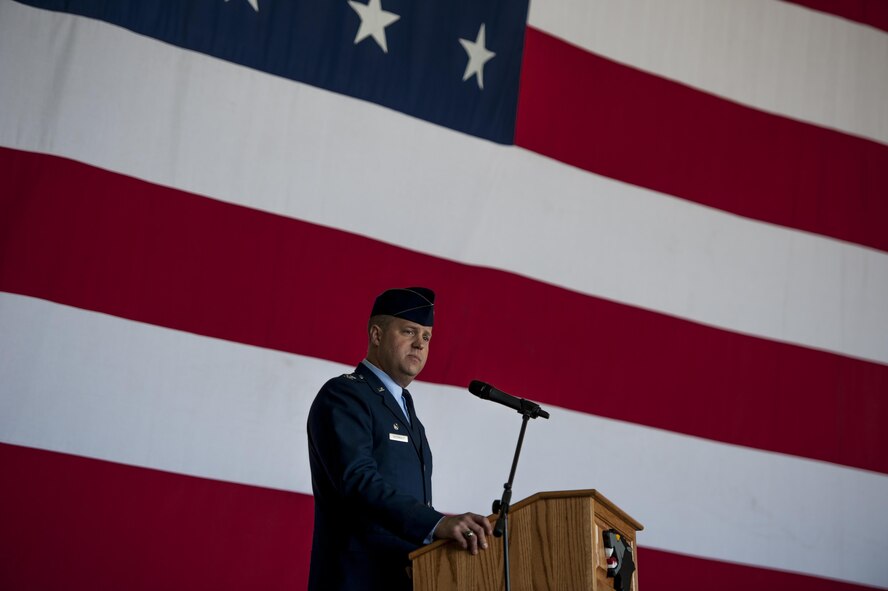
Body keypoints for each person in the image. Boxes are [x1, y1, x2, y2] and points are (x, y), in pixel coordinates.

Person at [306, 287, 492, 590]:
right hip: (355, 580)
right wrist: (436, 523)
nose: (420, 344)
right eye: (409, 331)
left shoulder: (405, 411)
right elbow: (357, 480)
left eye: (427, 337)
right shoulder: (345, 395)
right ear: (377, 335)